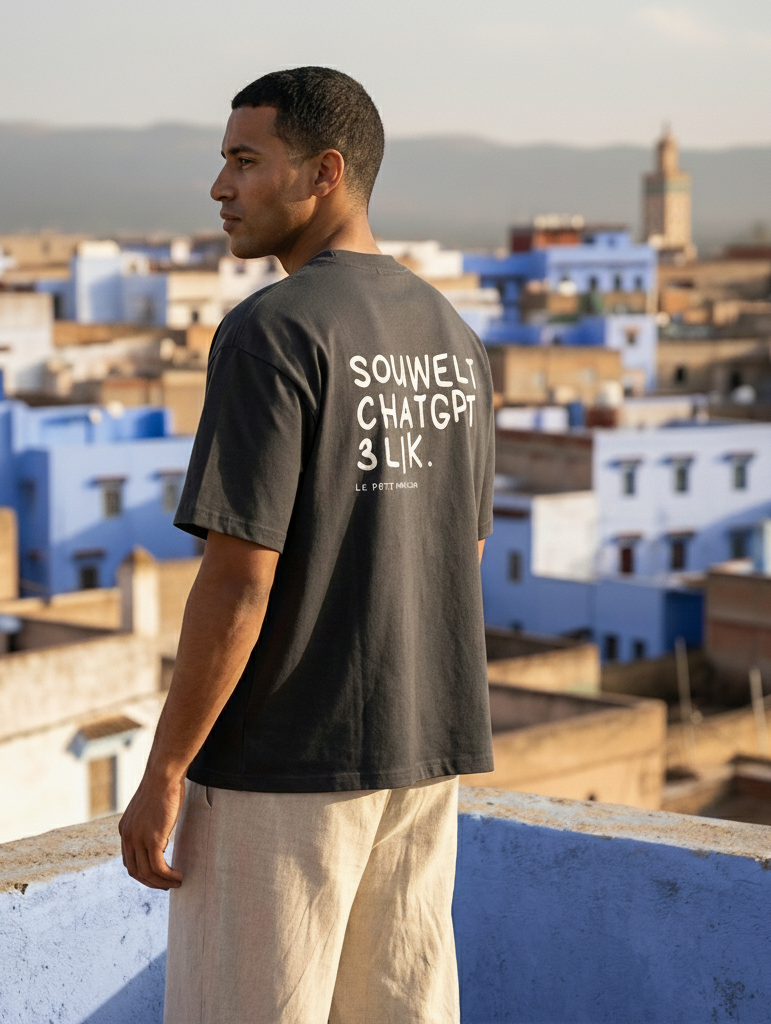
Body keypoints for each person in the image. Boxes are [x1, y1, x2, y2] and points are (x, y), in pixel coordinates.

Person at [119, 66, 495, 1024]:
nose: (220, 188)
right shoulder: (451, 336)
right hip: (423, 754)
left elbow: (240, 584)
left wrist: (164, 774)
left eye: (246, 161)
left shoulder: (270, 334)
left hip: (280, 768)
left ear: (323, 172)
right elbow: (466, 555)